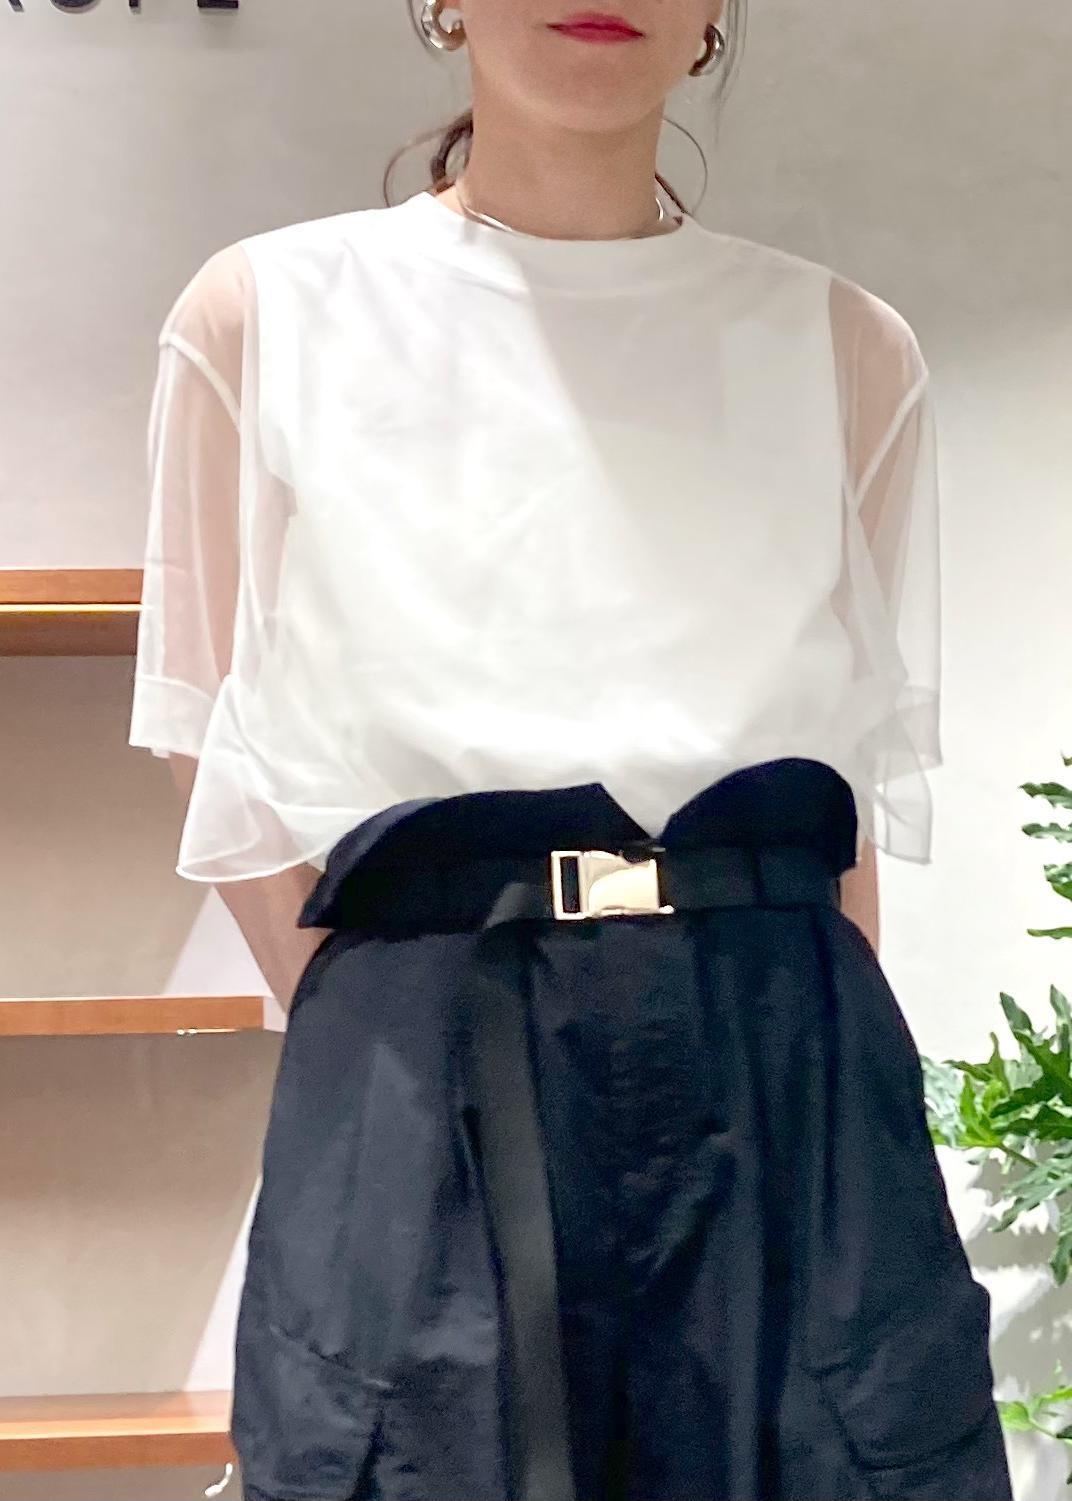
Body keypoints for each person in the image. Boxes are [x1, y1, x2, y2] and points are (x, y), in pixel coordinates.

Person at [128, 3, 1015, 1498]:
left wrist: (826, 1068)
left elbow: (844, 790)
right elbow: (203, 726)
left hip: (784, 1059)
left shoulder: (845, 346)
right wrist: (374, 1011)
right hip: (423, 1046)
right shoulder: (262, 315)